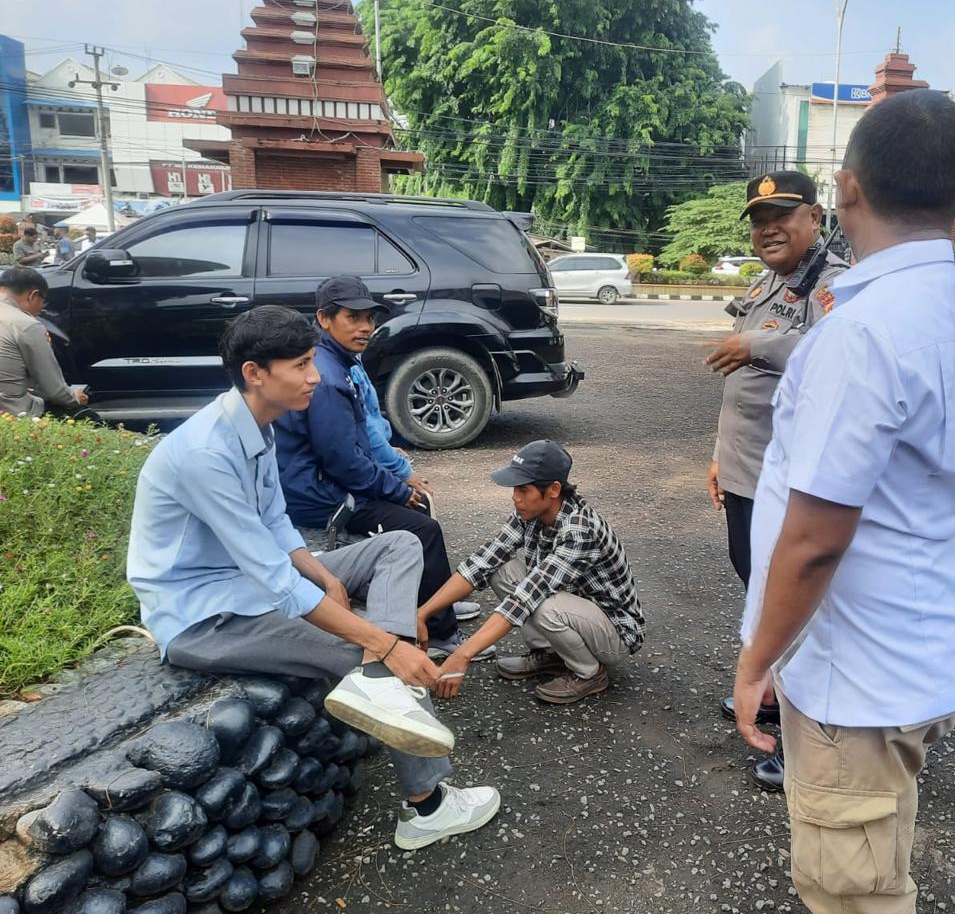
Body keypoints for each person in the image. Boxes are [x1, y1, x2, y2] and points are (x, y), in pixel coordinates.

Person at [732, 90, 955, 914]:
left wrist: (757, 661)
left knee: (850, 894)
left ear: (846, 189)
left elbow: (816, 538)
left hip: (854, 679)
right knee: (879, 856)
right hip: (920, 648)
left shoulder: (860, 334)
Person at [128, 306, 501, 851]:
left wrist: (326, 577)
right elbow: (275, 580)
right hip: (206, 618)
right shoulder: (205, 453)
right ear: (255, 373)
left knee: (400, 542)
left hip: (251, 586)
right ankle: (427, 807)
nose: (315, 377)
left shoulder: (256, 426)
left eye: (311, 362)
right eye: (301, 365)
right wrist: (384, 645)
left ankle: (382, 684)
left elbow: (276, 521)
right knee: (363, 654)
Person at [707, 170, 847, 792]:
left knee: (797, 602)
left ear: (815, 217)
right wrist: (719, 455)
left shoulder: (832, 283)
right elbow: (741, 387)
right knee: (758, 587)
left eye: (782, 216)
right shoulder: (768, 283)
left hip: (790, 481)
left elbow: (835, 350)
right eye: (760, 221)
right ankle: (768, 690)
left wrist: (758, 344)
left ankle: (808, 736)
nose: (768, 230)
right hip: (746, 470)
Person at [274, 276, 477, 658]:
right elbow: (343, 461)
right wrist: (396, 488)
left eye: (369, 318)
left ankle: (433, 603)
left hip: (327, 482)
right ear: (324, 319)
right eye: (352, 317)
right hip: (319, 496)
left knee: (415, 510)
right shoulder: (327, 376)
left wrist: (394, 478)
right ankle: (441, 635)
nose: (365, 327)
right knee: (422, 528)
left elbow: (357, 444)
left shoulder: (338, 361)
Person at [422, 440, 644, 706]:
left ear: (553, 490)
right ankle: (551, 655)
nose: (515, 497)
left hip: (615, 632)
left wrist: (462, 655)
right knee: (500, 569)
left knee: (544, 604)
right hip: (576, 607)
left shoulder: (579, 531)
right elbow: (482, 562)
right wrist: (422, 614)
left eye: (524, 489)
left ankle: (589, 673)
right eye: (515, 488)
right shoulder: (530, 512)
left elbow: (526, 597)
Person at [0, 267, 88, 417]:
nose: (42, 309)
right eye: (43, 300)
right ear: (33, 295)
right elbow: (54, 390)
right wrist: (75, 398)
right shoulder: (26, 324)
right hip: (13, 414)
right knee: (87, 417)